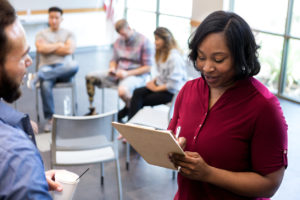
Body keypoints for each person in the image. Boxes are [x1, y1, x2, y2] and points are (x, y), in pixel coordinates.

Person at [168, 11, 288, 200]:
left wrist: (209, 173)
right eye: (201, 57)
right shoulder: (189, 90)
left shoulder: (264, 107)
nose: (207, 68)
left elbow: (269, 184)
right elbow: (173, 132)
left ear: (241, 57)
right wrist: (173, 147)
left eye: (218, 60)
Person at [0, 0, 62, 198]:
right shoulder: (17, 156)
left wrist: (23, 181)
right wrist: (25, 177)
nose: (29, 62)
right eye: (21, 56)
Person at [85, 19, 154, 120]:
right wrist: (112, 68)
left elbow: (147, 68)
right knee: (90, 76)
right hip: (118, 72)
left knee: (122, 91)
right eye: (120, 34)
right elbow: (113, 60)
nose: (122, 37)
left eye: (124, 34)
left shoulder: (144, 41)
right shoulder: (119, 40)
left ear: (129, 28)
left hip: (136, 75)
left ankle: (131, 109)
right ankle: (92, 109)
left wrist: (127, 73)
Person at [33, 6, 79, 132]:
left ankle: (40, 75)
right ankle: (50, 119)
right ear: (48, 18)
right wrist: (59, 45)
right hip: (46, 67)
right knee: (46, 84)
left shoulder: (69, 33)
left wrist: (49, 47)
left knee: (74, 65)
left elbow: (69, 50)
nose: (53, 20)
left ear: (61, 19)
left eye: (56, 18)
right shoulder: (41, 33)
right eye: (51, 17)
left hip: (64, 68)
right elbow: (41, 49)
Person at [127, 27, 187, 120]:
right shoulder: (162, 54)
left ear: (165, 40)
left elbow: (173, 85)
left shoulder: (175, 58)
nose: (155, 42)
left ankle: (128, 122)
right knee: (137, 93)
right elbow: (162, 74)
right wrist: (153, 82)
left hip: (171, 92)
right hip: (161, 85)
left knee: (139, 101)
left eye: (157, 39)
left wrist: (155, 88)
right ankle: (128, 121)